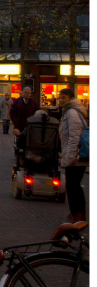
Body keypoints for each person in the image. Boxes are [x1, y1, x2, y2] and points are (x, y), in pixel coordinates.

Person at [58, 88, 88, 222]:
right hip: (76, 155)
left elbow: (74, 137)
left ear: (70, 98)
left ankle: (77, 216)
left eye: (63, 97)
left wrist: (69, 158)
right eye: (60, 97)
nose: (60, 100)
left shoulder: (71, 112)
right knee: (75, 185)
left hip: (75, 157)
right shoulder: (70, 111)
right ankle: (79, 214)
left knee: (72, 186)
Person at [11, 87, 39, 159]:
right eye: (26, 92)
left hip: (30, 126)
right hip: (19, 125)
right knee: (20, 140)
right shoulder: (18, 102)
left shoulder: (33, 103)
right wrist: (16, 125)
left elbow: (36, 114)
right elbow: (12, 113)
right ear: (22, 93)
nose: (27, 94)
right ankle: (18, 152)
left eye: (29, 93)